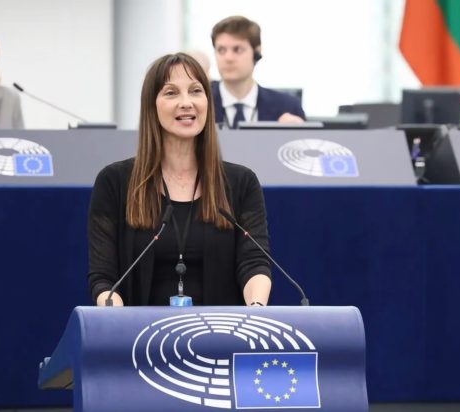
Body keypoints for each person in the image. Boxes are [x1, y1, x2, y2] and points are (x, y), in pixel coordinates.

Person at [88, 53, 272, 307]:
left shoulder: (241, 183)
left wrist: (256, 310)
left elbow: (255, 263)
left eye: (195, 91)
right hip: (138, 331)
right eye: (171, 93)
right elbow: (103, 278)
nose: (186, 103)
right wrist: (115, 319)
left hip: (220, 331)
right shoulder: (115, 182)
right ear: (151, 105)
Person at [211, 15, 305, 129]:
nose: (228, 58)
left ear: (257, 53)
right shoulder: (200, 106)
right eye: (221, 50)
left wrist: (299, 133)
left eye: (237, 50)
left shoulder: (287, 107)